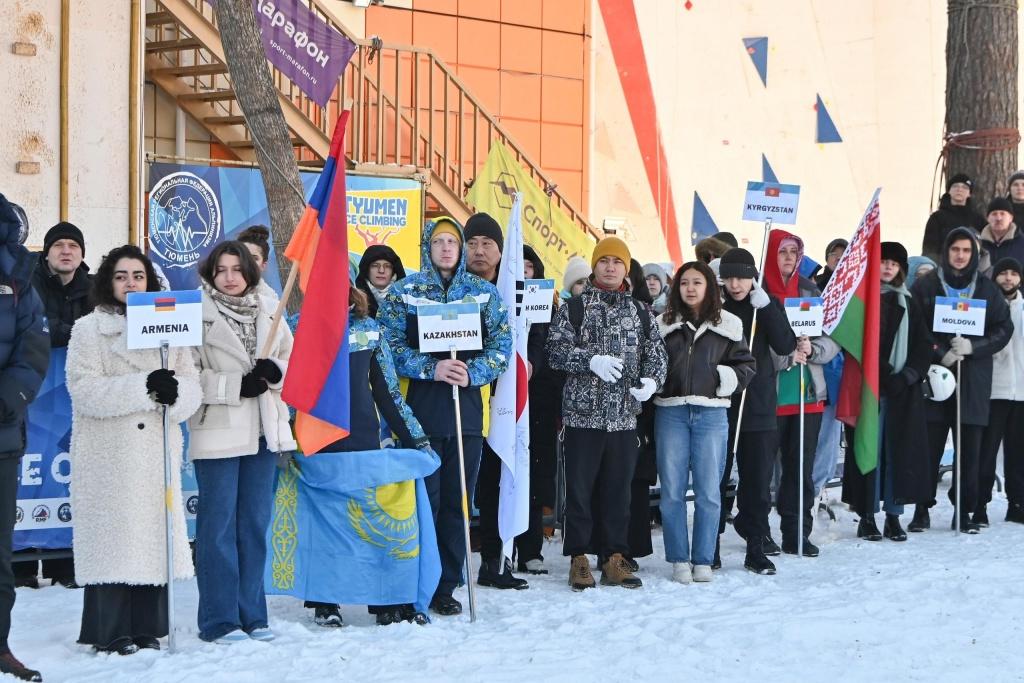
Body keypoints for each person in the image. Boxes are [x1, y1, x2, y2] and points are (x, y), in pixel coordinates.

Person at [64, 245, 200, 655]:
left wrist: (175, 394)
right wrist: (143, 387)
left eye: (138, 276)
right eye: (121, 276)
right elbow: (84, 389)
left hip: (154, 453)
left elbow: (190, 384)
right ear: (108, 281)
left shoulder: (170, 325)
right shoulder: (88, 329)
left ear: (150, 282)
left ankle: (147, 627)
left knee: (151, 540)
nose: (130, 283)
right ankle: (110, 631)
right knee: (114, 540)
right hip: (109, 455)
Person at [378, 216, 511, 616]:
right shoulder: (405, 292)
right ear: (427, 247)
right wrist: (430, 367)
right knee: (423, 504)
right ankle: (414, 584)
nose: (447, 248)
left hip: (466, 416)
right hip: (418, 415)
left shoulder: (484, 293)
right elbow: (388, 346)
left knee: (456, 504)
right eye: (439, 241)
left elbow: (502, 346)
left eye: (454, 241)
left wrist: (474, 372)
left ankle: (445, 585)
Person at [296, 284, 435, 627]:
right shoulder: (296, 326)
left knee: (373, 523)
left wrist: (416, 438)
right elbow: (288, 388)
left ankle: (384, 600)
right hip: (315, 441)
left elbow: (388, 392)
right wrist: (282, 437)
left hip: (362, 440)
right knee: (325, 525)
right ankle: (325, 601)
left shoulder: (369, 329)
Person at [189, 241, 296, 643]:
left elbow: (293, 361)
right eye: (221, 270)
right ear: (210, 274)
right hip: (218, 432)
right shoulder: (196, 313)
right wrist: (235, 385)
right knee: (217, 529)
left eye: (237, 269)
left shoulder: (270, 308)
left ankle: (253, 614)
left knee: (253, 525)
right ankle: (219, 619)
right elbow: (185, 375)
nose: (230, 277)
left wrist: (276, 371)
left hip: (264, 431)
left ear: (250, 271)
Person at [546, 236, 667, 591]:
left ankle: (614, 557)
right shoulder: (575, 308)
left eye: (617, 262)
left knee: (619, 492)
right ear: (595, 266)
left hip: (624, 418)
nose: (610, 267)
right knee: (580, 492)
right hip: (582, 417)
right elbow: (554, 351)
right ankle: (579, 558)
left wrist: (652, 381)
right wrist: (589, 361)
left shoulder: (640, 312)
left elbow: (657, 354)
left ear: (626, 269)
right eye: (604, 261)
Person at [655, 261, 754, 584]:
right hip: (671, 412)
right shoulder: (662, 324)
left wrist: (719, 378)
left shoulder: (730, 324)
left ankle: (703, 559)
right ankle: (678, 559)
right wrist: (657, 383)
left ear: (710, 286)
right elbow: (650, 363)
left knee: (709, 492)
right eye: (685, 282)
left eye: (697, 282)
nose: (691, 288)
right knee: (672, 491)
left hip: (711, 414)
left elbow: (746, 366)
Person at [909, 228, 1012, 533]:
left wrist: (973, 347)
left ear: (974, 254)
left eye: (967, 250)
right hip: (936, 376)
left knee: (969, 450)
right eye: (955, 249)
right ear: (946, 250)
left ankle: (963, 510)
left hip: (973, 378)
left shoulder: (986, 288)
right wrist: (939, 352)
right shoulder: (927, 285)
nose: (960, 255)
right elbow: (916, 325)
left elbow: (1003, 328)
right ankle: (921, 508)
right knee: (928, 446)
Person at [16, 222, 92, 589]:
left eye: (73, 245)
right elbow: (35, 327)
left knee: (68, 476)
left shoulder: (94, 287)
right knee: (27, 477)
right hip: (32, 398)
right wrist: (74, 331)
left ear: (81, 254)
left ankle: (65, 564)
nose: (66, 250)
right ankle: (22, 565)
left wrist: (66, 331)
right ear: (46, 253)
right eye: (58, 245)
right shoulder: (26, 282)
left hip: (74, 401)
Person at [842, 242, 931, 542]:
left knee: (898, 452)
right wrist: (880, 371)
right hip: (869, 389)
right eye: (884, 261)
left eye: (894, 263)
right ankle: (867, 515)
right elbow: (857, 341)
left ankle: (894, 515)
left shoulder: (909, 302)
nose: (888, 267)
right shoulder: (862, 301)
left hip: (902, 393)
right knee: (869, 450)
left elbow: (923, 345)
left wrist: (907, 376)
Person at [459, 213, 529, 591]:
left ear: (501, 251)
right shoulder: (452, 289)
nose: (479, 251)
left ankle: (493, 561)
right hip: (462, 400)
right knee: (457, 486)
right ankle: (451, 567)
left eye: (487, 244)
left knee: (494, 483)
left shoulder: (512, 291)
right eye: (472, 243)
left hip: (501, 403)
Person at [719, 248, 796, 574]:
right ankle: (710, 545)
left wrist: (767, 309)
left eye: (742, 277)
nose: (736, 284)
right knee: (717, 478)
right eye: (729, 278)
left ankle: (756, 545)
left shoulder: (765, 304)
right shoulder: (715, 305)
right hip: (721, 404)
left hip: (758, 405)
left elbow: (786, 345)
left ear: (753, 277)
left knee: (757, 481)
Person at [763, 230, 840, 556]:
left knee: (800, 471)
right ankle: (758, 533)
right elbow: (751, 344)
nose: (789, 257)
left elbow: (832, 337)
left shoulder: (810, 290)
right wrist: (785, 356)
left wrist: (812, 350)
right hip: (769, 397)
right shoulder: (759, 293)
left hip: (807, 397)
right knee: (762, 473)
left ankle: (797, 532)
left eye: (794, 252)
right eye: (782, 251)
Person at [0, 195, 47, 681]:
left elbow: (33, 347)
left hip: (1, 435)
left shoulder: (17, 277)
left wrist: (6, 398)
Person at [516, 245, 560, 574]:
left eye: (529, 266)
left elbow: (556, 357)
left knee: (534, 477)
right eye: (518, 265)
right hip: (503, 402)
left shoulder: (551, 309)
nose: (523, 271)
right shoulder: (496, 301)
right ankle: (501, 548)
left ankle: (531, 550)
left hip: (541, 404)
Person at [978, 257, 1024, 525]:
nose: (1008, 278)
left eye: (1013, 274)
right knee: (987, 452)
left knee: (1018, 452)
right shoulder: (986, 307)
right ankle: (979, 504)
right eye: (1003, 273)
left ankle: (1017, 503)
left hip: (1021, 394)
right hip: (994, 390)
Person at [922, 173, 986, 263]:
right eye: (955, 186)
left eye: (964, 187)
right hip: (942, 266)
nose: (959, 189)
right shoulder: (937, 217)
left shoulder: (978, 219)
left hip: (972, 266)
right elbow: (929, 248)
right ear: (949, 191)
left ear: (969, 194)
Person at [356, 245, 406, 318]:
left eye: (387, 266)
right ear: (366, 270)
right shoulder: (353, 299)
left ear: (394, 271)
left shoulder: (408, 300)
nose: (381, 271)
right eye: (375, 265)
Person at [979, 197, 1024, 275]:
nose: (998, 218)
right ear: (987, 218)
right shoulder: (978, 244)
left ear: (1011, 218)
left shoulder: (1022, 243)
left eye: (1002, 214)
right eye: (994, 214)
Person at [236, 225, 279, 303]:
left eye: (254, 258)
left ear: (263, 265)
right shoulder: (218, 287)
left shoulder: (270, 299)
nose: (247, 262)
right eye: (242, 255)